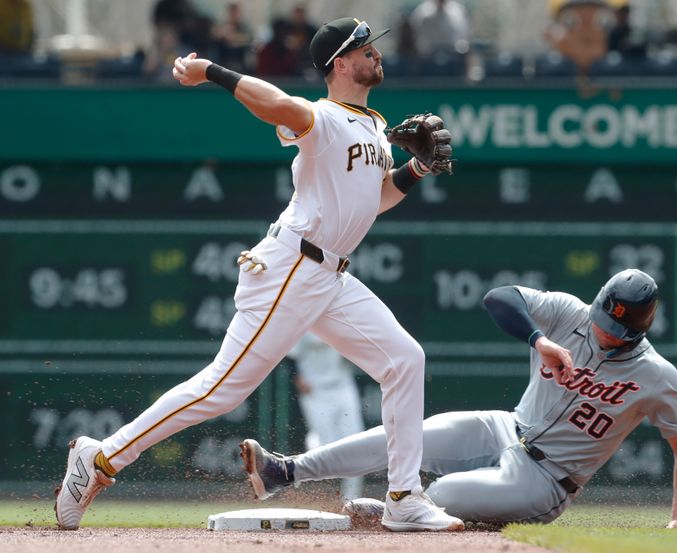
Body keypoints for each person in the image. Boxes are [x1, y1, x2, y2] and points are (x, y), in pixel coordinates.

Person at [55, 16, 462, 533]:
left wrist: (416, 171)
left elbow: (372, 200)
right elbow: (278, 105)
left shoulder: (376, 127)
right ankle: (102, 457)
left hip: (330, 276)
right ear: (340, 62)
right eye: (365, 48)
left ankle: (404, 497)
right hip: (293, 266)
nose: (375, 54)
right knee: (221, 390)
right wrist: (214, 72)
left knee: (405, 359)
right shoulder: (323, 116)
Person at [241, 269, 677, 527]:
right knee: (406, 436)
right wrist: (539, 339)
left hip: (548, 479)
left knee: (441, 494)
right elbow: (499, 298)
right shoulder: (570, 313)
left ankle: (390, 512)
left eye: (617, 329)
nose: (604, 331)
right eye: (604, 318)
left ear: (639, 329)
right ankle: (285, 471)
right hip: (505, 427)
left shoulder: (656, 374)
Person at [288, 333, 365, 500]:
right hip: (315, 390)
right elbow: (290, 357)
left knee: (355, 443)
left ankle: (351, 500)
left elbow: (358, 352)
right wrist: (297, 378)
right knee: (324, 448)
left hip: (343, 386)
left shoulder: (339, 316)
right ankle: (314, 440)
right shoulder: (303, 320)